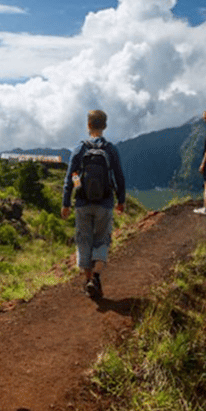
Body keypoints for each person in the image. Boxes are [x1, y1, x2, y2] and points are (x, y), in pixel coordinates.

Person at [61, 109, 126, 299]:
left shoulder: (80, 149)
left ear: (88, 125)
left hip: (82, 202)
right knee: (102, 239)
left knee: (84, 240)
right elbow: (119, 177)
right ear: (104, 126)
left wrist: (66, 202)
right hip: (105, 203)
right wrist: (121, 201)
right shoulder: (110, 149)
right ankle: (96, 276)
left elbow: (70, 177)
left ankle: (88, 279)